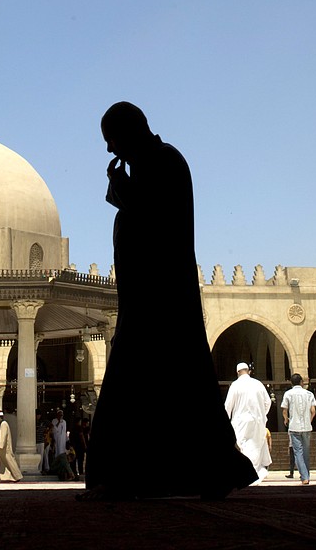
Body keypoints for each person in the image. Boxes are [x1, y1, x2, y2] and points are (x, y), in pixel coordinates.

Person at [84, 102, 256, 500]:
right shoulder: (153, 164)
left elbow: (156, 221)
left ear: (129, 131)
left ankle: (129, 477)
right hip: (146, 298)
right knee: (164, 388)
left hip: (160, 300)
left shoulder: (165, 161)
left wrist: (122, 192)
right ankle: (164, 476)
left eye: (112, 139)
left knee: (150, 384)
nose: (111, 150)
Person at [223, 364, 272, 479]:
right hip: (258, 421)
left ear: (237, 373)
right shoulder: (258, 384)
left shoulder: (235, 385)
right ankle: (255, 471)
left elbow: (227, 406)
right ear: (249, 371)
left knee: (244, 446)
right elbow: (268, 402)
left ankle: (249, 473)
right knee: (256, 445)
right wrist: (261, 414)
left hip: (241, 422)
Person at [280, 373, 316, 484]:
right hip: (306, 427)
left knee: (298, 452)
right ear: (301, 382)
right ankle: (306, 475)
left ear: (291, 382)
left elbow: (284, 410)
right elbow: (313, 411)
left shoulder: (288, 394)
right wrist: (308, 421)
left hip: (294, 426)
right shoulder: (309, 394)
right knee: (306, 452)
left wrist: (286, 419)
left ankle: (304, 476)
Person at [0, 410, 22, 482]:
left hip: (5, 448)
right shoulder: (1, 424)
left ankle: (17, 475)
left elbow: (3, 435)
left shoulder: (4, 424)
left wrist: (0, 445)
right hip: (2, 448)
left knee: (10, 462)